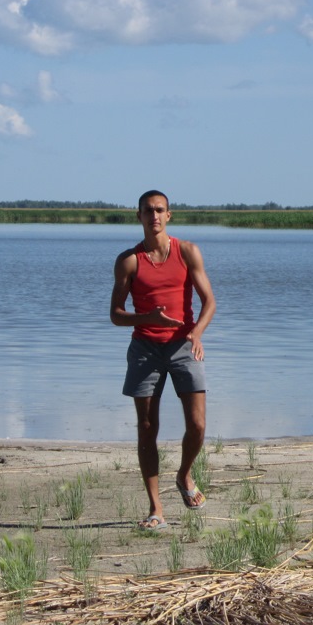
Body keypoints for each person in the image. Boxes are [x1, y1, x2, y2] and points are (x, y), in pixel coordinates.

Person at [110, 190, 216, 530]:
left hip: (184, 345)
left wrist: (197, 333)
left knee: (197, 425)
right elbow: (115, 314)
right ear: (138, 216)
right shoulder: (129, 260)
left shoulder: (187, 252)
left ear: (169, 215)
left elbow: (209, 301)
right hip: (145, 349)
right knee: (146, 429)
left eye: (159, 210)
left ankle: (184, 474)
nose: (154, 216)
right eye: (147, 211)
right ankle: (156, 509)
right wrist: (147, 319)